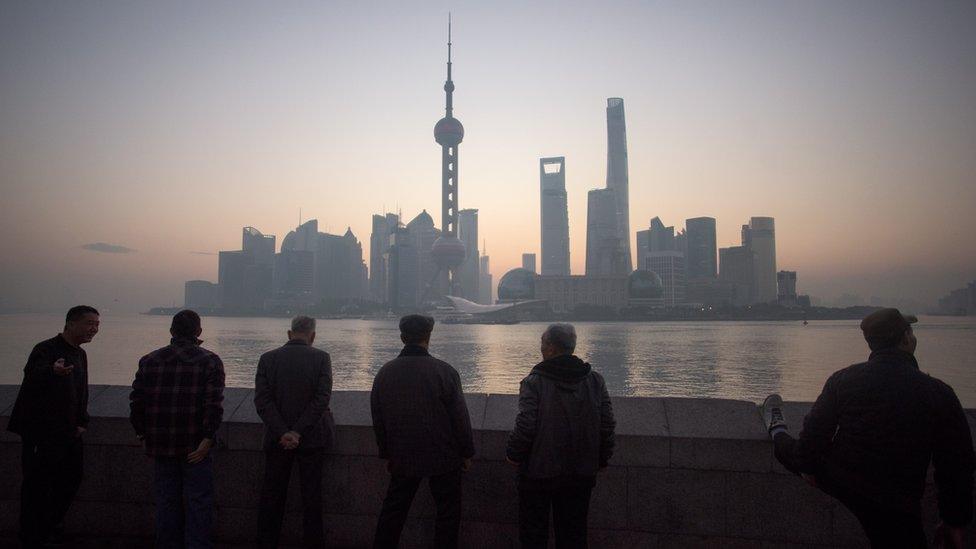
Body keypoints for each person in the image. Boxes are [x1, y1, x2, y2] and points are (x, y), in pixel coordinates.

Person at [761, 308, 974, 548]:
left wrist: (808, 468)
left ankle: (776, 428)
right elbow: (956, 462)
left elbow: (811, 441)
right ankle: (780, 431)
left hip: (843, 480)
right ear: (905, 339)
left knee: (790, 451)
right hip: (896, 499)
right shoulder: (938, 392)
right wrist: (955, 521)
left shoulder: (842, 379)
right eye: (910, 331)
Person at [506, 323, 616, 549]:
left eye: (543, 344)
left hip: (538, 473)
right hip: (581, 471)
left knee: (533, 534)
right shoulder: (595, 380)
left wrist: (513, 455)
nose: (541, 348)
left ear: (552, 348)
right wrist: (602, 458)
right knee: (574, 534)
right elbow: (606, 425)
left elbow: (526, 425)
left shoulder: (534, 382)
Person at [370, 314, 475, 549]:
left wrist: (386, 452)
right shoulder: (445, 372)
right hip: (444, 456)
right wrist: (466, 452)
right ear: (428, 337)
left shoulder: (385, 373)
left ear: (402, 337)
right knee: (447, 514)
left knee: (393, 512)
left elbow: (379, 418)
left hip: (402, 455)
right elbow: (459, 417)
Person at [129, 309, 225, 549]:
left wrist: (142, 433)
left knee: (166, 502)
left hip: (161, 444)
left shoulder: (150, 360)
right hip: (195, 445)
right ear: (199, 332)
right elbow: (212, 404)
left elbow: (137, 402)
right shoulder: (209, 361)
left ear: (171, 331)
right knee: (198, 501)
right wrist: (207, 438)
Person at [8, 305, 99, 547]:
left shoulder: (80, 354)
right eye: (89, 323)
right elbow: (32, 375)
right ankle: (32, 536)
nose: (94, 329)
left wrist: (83, 422)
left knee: (71, 480)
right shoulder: (46, 349)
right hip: (42, 433)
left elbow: (81, 392)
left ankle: (48, 526)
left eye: (97, 325)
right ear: (70, 324)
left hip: (70, 432)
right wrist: (52, 371)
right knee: (36, 485)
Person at [254, 316, 335, 549]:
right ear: (313, 336)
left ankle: (266, 542)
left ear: (289, 334)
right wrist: (298, 432)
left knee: (272, 497)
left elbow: (262, 401)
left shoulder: (267, 359)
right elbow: (321, 400)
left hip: (277, 440)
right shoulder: (322, 358)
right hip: (312, 440)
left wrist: (283, 432)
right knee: (312, 498)